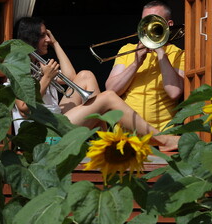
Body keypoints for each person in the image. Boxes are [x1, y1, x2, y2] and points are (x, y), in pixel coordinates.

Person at [12, 16, 178, 148]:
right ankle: (162, 139)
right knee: (108, 97)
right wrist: (47, 78)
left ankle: (103, 139)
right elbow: (24, 108)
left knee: (86, 75)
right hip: (45, 135)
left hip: (54, 120)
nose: (47, 39)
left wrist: (55, 43)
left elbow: (70, 77)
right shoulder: (17, 66)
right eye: (43, 36)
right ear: (30, 38)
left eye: (47, 35)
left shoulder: (39, 63)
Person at [105, 0, 185, 151]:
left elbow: (174, 92)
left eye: (155, 22)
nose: (149, 27)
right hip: (125, 138)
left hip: (161, 140)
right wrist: (136, 63)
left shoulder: (178, 54)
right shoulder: (127, 49)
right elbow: (112, 90)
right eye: (145, 22)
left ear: (169, 24)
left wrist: (161, 51)